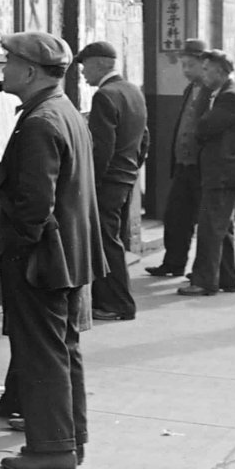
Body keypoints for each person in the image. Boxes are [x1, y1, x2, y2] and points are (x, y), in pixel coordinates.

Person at [0, 33, 104, 469]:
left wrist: (18, 248)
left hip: (43, 259)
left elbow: (34, 206)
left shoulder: (41, 120)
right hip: (69, 254)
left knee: (41, 352)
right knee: (62, 349)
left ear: (30, 71)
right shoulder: (65, 111)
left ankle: (52, 448)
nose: (3, 70)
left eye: (8, 62)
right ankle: (69, 438)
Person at [77, 41, 148, 321]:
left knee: (106, 241)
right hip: (126, 178)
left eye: (85, 67)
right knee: (111, 239)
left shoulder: (105, 96)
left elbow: (101, 149)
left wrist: (89, 184)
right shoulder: (133, 91)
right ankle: (112, 301)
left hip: (108, 182)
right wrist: (131, 169)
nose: (82, 74)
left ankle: (119, 304)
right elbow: (144, 140)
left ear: (99, 64)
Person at [178, 50, 235, 296]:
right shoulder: (224, 93)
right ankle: (226, 277)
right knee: (223, 227)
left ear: (221, 72)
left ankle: (204, 281)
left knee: (210, 228)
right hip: (225, 172)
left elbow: (204, 127)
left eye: (208, 70)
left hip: (222, 172)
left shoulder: (230, 96)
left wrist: (201, 117)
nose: (204, 74)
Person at [145, 39, 210, 278]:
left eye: (190, 65)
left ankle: (202, 270)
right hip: (184, 165)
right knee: (175, 217)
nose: (186, 71)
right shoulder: (190, 89)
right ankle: (173, 263)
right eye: (183, 65)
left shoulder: (212, 91)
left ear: (204, 63)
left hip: (201, 168)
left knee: (203, 222)